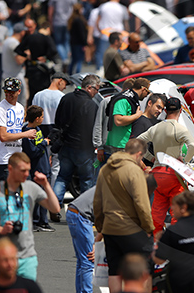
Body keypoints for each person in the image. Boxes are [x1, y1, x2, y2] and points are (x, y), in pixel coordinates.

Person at [0, 152, 60, 281]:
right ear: (10, 169)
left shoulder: (31, 188)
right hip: (3, 256)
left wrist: (46, 184)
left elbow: (55, 208)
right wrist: (1, 230)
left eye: (28, 170)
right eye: (23, 170)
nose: (27, 174)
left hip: (27, 256)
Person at [93, 138, 154, 293]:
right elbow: (142, 204)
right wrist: (148, 228)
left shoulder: (105, 169)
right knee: (145, 268)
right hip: (131, 228)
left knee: (114, 271)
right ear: (139, 154)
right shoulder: (134, 171)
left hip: (110, 228)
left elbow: (97, 201)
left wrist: (100, 226)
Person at [137, 97, 194, 233]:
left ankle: (155, 242)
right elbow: (193, 145)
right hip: (173, 172)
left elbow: (138, 140)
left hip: (157, 173)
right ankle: (175, 240)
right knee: (178, 210)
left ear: (165, 110)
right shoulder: (179, 129)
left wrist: (149, 157)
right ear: (180, 111)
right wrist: (185, 162)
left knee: (157, 212)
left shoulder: (156, 128)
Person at [53, 75, 100, 211]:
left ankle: (55, 206)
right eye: (96, 89)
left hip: (66, 145)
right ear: (89, 88)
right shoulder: (91, 105)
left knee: (62, 177)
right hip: (83, 149)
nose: (96, 93)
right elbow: (92, 128)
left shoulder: (66, 98)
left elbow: (58, 121)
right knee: (86, 180)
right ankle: (83, 210)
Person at [98, 78, 150, 164]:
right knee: (120, 174)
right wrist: (137, 116)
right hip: (120, 145)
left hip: (125, 144)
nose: (146, 95)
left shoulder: (132, 98)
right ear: (143, 89)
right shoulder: (124, 99)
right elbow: (118, 120)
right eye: (147, 93)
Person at [0, 77, 35, 182]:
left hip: (18, 158)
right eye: (6, 91)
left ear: (19, 91)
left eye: (12, 91)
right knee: (7, 193)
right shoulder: (0, 109)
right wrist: (25, 134)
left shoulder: (20, 108)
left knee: (23, 191)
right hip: (4, 160)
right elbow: (3, 136)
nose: (9, 94)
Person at [65, 186, 98, 293]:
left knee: (83, 261)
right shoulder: (116, 190)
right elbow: (109, 220)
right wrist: (97, 244)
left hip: (75, 213)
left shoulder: (109, 181)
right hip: (81, 216)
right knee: (88, 261)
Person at [21, 105, 54, 232]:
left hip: (44, 165)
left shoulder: (37, 129)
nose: (43, 118)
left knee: (43, 195)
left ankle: (42, 221)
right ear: (36, 118)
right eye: (41, 116)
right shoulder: (28, 132)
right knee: (39, 196)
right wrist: (44, 144)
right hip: (37, 168)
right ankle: (37, 221)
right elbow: (32, 152)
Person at [15, 18, 59, 105]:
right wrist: (46, 57)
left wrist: (27, 55)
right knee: (44, 94)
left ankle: (31, 115)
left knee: (32, 94)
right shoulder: (46, 38)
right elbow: (54, 51)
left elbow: (18, 50)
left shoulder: (29, 38)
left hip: (32, 69)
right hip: (43, 70)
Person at [91, 0, 130, 72]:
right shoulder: (122, 8)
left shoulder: (103, 6)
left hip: (106, 34)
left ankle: (100, 70)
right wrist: (126, 34)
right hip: (119, 35)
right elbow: (126, 23)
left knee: (102, 54)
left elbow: (97, 21)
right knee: (117, 55)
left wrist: (100, 31)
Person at [49, 0, 78, 67]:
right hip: (68, 22)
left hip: (57, 21)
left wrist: (50, 21)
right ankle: (66, 58)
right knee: (66, 41)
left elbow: (50, 10)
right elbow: (76, 8)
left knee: (58, 42)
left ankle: (64, 58)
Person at [1, 22, 29, 105]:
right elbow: (19, 60)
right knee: (20, 103)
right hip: (16, 77)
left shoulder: (7, 41)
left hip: (7, 75)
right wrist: (27, 55)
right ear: (22, 32)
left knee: (9, 102)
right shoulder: (14, 43)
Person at [67, 2, 88, 74]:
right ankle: (77, 74)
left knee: (73, 60)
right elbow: (81, 33)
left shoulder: (71, 19)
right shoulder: (79, 20)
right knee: (79, 60)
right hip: (79, 43)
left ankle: (70, 74)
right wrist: (85, 44)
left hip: (73, 42)